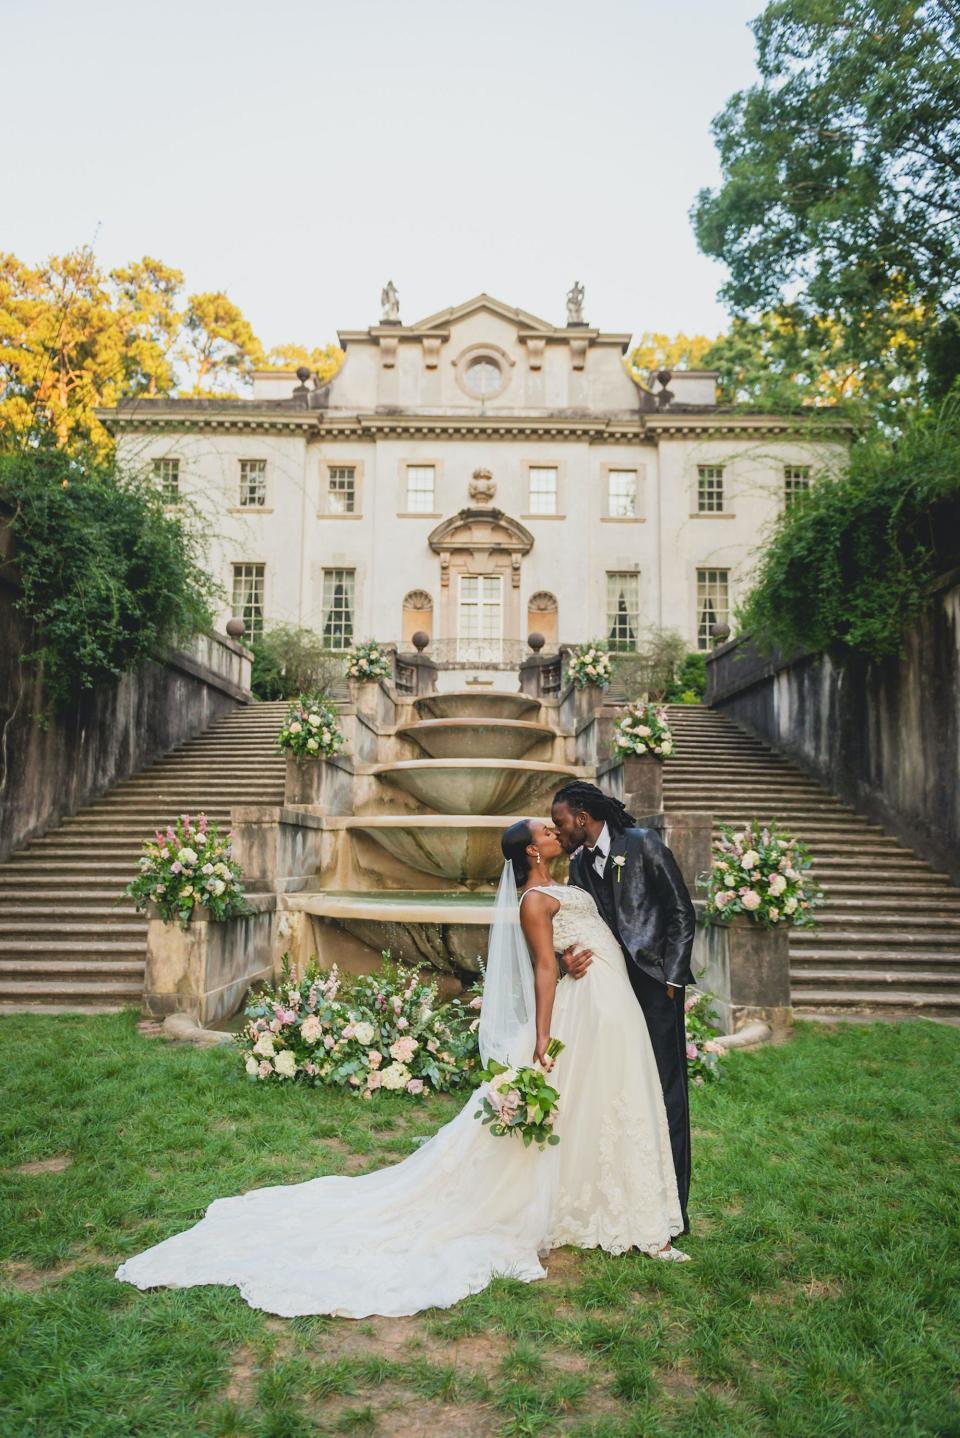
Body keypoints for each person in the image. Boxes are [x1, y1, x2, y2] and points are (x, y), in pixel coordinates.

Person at [113, 821, 688, 1321]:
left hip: (605, 1000)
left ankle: (607, 1198)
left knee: (600, 1100)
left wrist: (572, 954)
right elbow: (541, 968)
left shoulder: (568, 880)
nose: (554, 833)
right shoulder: (534, 900)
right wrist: (541, 1037)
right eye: (544, 831)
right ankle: (612, 1210)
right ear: (532, 853)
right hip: (581, 1008)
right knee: (589, 1097)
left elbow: (577, 937)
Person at [550, 782, 697, 1235]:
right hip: (606, 991)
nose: (557, 832)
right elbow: (576, 924)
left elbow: (680, 912)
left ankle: (674, 1209)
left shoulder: (643, 845)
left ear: (581, 816)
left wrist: (672, 980)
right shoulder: (578, 865)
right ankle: (628, 1197)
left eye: (559, 822)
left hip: (655, 988)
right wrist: (566, 958)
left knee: (666, 1091)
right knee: (623, 1090)